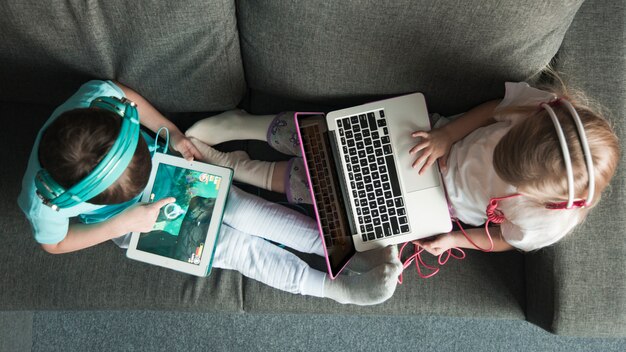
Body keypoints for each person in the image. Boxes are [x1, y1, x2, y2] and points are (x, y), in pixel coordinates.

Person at [18, 80, 402, 306]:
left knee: (245, 209)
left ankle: (348, 251)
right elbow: (56, 244)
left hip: (172, 172)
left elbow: (121, 92)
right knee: (235, 250)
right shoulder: (44, 202)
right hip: (131, 225)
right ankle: (337, 290)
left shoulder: (96, 100)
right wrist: (124, 220)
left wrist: (176, 136)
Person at [185, 78, 620, 258]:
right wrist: (449, 137)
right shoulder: (538, 107)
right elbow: (493, 110)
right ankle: (247, 126)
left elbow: (505, 240)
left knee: (318, 191)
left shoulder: (549, 222)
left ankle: (236, 166)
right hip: (429, 141)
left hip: (435, 204)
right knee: (329, 136)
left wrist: (453, 237)